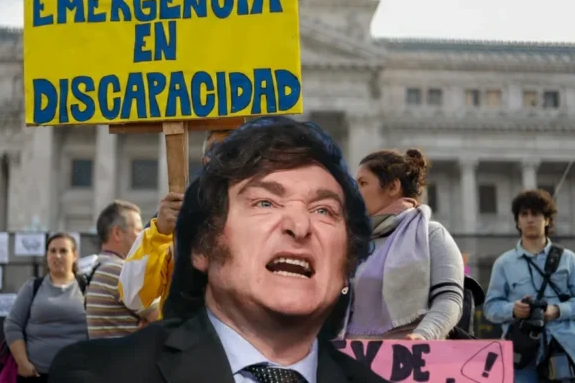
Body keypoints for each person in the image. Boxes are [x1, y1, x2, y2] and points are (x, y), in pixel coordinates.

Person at [49, 117, 387, 383]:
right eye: (265, 203)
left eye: (324, 210)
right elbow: (134, 294)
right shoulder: (99, 373)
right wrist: (161, 234)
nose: (299, 226)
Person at [338, 148, 464, 340]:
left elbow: (449, 298)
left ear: (392, 187)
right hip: (346, 354)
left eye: (363, 183)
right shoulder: (351, 241)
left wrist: (424, 336)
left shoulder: (430, 234)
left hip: (409, 353)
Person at [484, 189, 575, 383]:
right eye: (524, 214)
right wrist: (514, 309)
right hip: (522, 352)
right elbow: (490, 308)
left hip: (567, 346)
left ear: (547, 220)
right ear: (518, 222)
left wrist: (557, 310)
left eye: (536, 214)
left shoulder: (568, 259)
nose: (530, 219)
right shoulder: (504, 263)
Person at [118, 129, 232, 322]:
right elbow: (133, 296)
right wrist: (160, 234)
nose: (226, 162)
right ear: (205, 162)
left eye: (234, 153)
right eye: (218, 153)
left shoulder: (270, 215)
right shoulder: (172, 219)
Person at [4, 233, 88, 382]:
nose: (57, 256)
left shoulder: (87, 288)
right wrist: (22, 363)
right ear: (47, 255)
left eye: (63, 251)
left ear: (74, 255)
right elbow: (12, 325)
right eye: (52, 251)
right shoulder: (33, 287)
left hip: (76, 375)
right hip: (35, 375)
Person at [85, 200, 144, 338]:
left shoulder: (99, 267)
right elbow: (162, 319)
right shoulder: (120, 270)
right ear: (117, 233)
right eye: (138, 230)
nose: (143, 237)